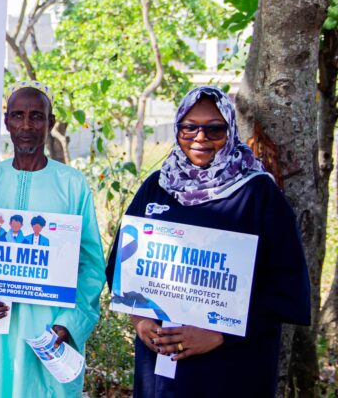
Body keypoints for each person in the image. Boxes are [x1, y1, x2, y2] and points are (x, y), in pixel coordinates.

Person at [105, 86, 311, 397]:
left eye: (214, 128)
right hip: (162, 364)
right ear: (178, 129)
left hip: (232, 368)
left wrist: (219, 335)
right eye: (190, 127)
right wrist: (139, 317)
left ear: (230, 131)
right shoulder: (157, 187)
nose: (200, 137)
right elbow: (121, 262)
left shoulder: (257, 194)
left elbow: (287, 289)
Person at [0, 81, 106, 397]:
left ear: (51, 122)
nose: (26, 126)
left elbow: (91, 265)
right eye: (17, 116)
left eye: (36, 116)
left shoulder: (72, 184)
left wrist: (69, 322)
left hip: (51, 330)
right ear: (6, 122)